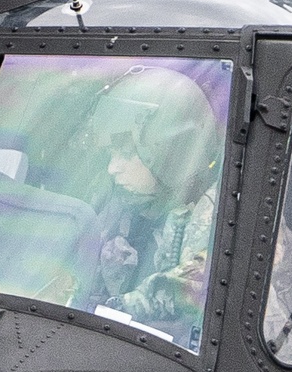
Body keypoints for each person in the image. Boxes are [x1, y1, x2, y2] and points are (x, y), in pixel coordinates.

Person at [92, 64, 223, 352]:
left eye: (128, 153)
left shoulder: (223, 222)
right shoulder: (130, 206)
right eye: (112, 154)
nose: (113, 168)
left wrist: (111, 305)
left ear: (171, 152)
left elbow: (189, 292)